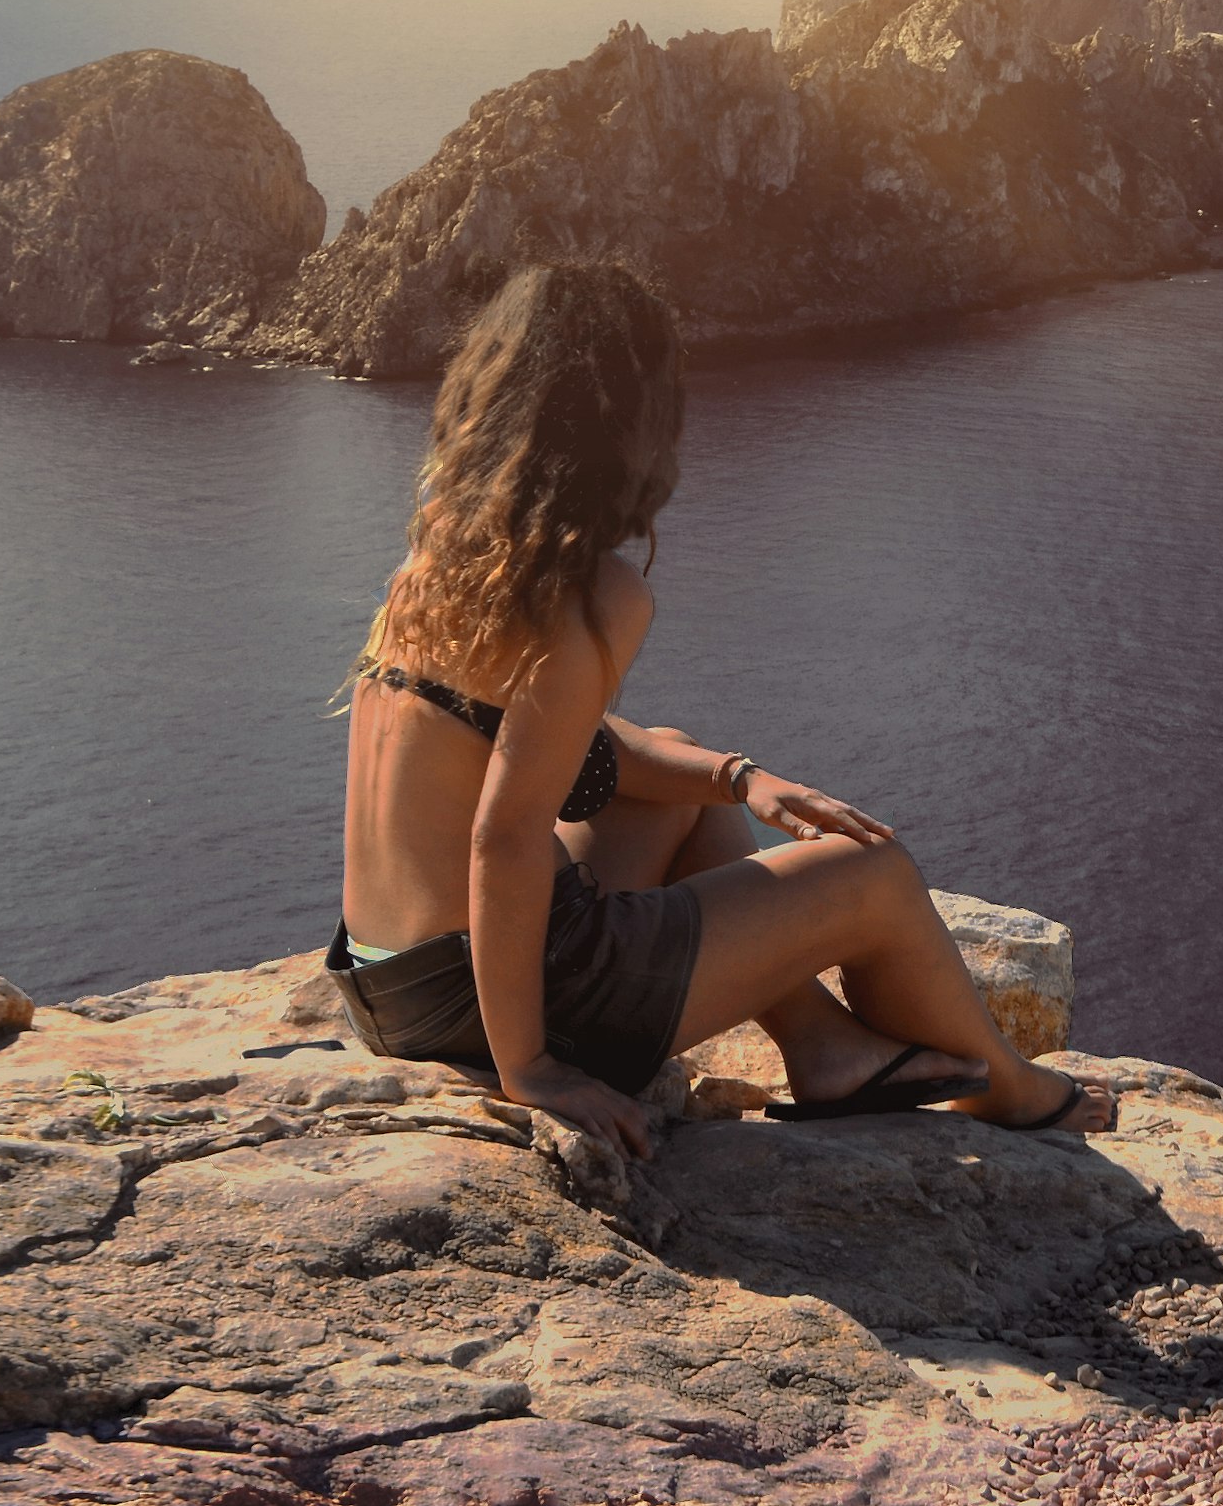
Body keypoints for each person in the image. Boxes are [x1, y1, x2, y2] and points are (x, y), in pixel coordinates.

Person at [326, 258, 1113, 1157]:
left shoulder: (438, 560)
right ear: (628, 424)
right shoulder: (593, 596)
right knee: (876, 871)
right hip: (503, 999)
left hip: (389, 988)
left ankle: (825, 1049)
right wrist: (532, 1068)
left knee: (677, 762)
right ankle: (1011, 1087)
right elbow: (503, 838)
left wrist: (740, 780)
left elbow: (537, 743)